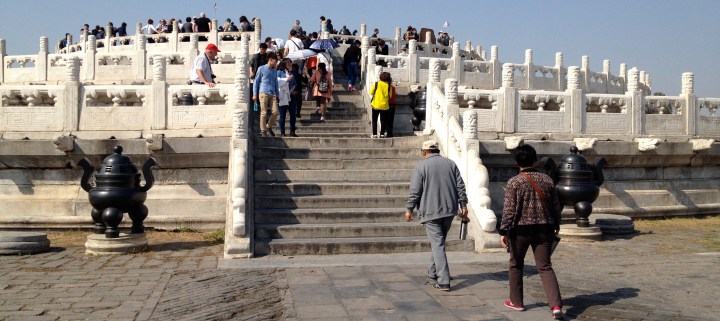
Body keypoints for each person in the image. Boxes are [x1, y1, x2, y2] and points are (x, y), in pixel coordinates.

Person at [499, 144, 564, 320]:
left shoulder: (514, 182)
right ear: (534, 160)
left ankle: (517, 302)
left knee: (516, 264)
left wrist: (503, 231)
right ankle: (556, 306)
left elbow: (509, 210)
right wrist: (557, 223)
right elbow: (556, 206)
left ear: (516, 161)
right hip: (545, 228)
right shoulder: (547, 180)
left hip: (520, 230)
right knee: (544, 266)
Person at [405, 139, 469, 292]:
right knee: (438, 243)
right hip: (449, 210)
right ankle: (433, 273)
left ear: (424, 152)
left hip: (430, 211)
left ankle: (444, 281)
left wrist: (409, 209)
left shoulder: (421, 167)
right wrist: (463, 205)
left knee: (438, 244)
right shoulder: (451, 164)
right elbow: (460, 186)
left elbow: (415, 191)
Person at [253, 53, 280, 137]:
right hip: (263, 91)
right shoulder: (261, 68)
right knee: (263, 112)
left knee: (275, 112)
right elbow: (256, 82)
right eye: (275, 61)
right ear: (270, 60)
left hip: (272, 92)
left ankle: (268, 126)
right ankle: (263, 130)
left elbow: (276, 83)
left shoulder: (275, 70)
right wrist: (255, 94)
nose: (276, 63)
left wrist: (277, 94)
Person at [276, 58, 297, 137]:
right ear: (284, 63)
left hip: (291, 95)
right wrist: (285, 80)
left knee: (293, 114)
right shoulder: (279, 72)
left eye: (290, 63)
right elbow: (277, 82)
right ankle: (282, 132)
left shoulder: (291, 73)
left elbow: (294, 83)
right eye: (287, 62)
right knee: (282, 115)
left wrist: (291, 90)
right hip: (283, 95)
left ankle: (292, 130)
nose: (289, 64)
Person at [368, 72, 392, 138]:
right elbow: (390, 96)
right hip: (384, 106)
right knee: (383, 120)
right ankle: (382, 134)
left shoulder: (376, 84)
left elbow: (371, 92)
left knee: (374, 120)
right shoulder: (389, 86)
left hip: (376, 104)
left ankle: (374, 134)